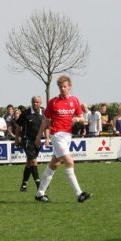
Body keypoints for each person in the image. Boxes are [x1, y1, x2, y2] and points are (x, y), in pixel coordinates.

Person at [34, 75, 91, 203]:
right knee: (69, 161)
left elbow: (82, 119)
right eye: (60, 87)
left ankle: (40, 193)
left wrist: (77, 119)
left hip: (67, 136)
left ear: (69, 87)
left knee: (54, 164)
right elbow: (45, 121)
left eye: (65, 86)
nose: (62, 89)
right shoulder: (53, 102)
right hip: (56, 134)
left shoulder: (75, 101)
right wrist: (39, 136)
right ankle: (79, 194)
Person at [14, 96, 46, 192]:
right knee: (33, 161)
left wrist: (47, 138)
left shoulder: (44, 113)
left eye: (37, 102)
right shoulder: (25, 113)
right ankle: (39, 185)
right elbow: (18, 126)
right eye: (33, 102)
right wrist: (16, 139)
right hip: (27, 140)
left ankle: (23, 185)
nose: (35, 104)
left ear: (40, 103)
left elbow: (47, 126)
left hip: (38, 141)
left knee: (29, 162)